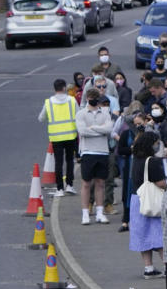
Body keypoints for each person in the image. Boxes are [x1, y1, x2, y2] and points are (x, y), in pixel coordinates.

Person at [130, 131, 167, 279]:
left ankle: (148, 268)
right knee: (160, 235)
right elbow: (161, 183)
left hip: (137, 200)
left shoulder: (136, 159)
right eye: (157, 142)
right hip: (153, 202)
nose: (158, 145)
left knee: (143, 235)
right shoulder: (154, 161)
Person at [74, 88, 114, 225]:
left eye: (95, 97)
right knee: (86, 183)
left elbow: (109, 129)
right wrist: (99, 129)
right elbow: (83, 131)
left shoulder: (105, 113)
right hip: (87, 151)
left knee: (100, 183)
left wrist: (93, 128)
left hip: (102, 152)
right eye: (91, 97)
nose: (93, 99)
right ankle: (85, 213)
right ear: (87, 98)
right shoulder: (81, 114)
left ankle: (100, 213)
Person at [39, 79, 79, 197]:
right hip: (71, 135)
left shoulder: (49, 102)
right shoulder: (72, 101)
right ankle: (70, 186)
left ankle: (60, 189)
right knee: (70, 161)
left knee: (58, 162)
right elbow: (78, 114)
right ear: (64, 88)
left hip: (56, 137)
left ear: (54, 89)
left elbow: (41, 118)